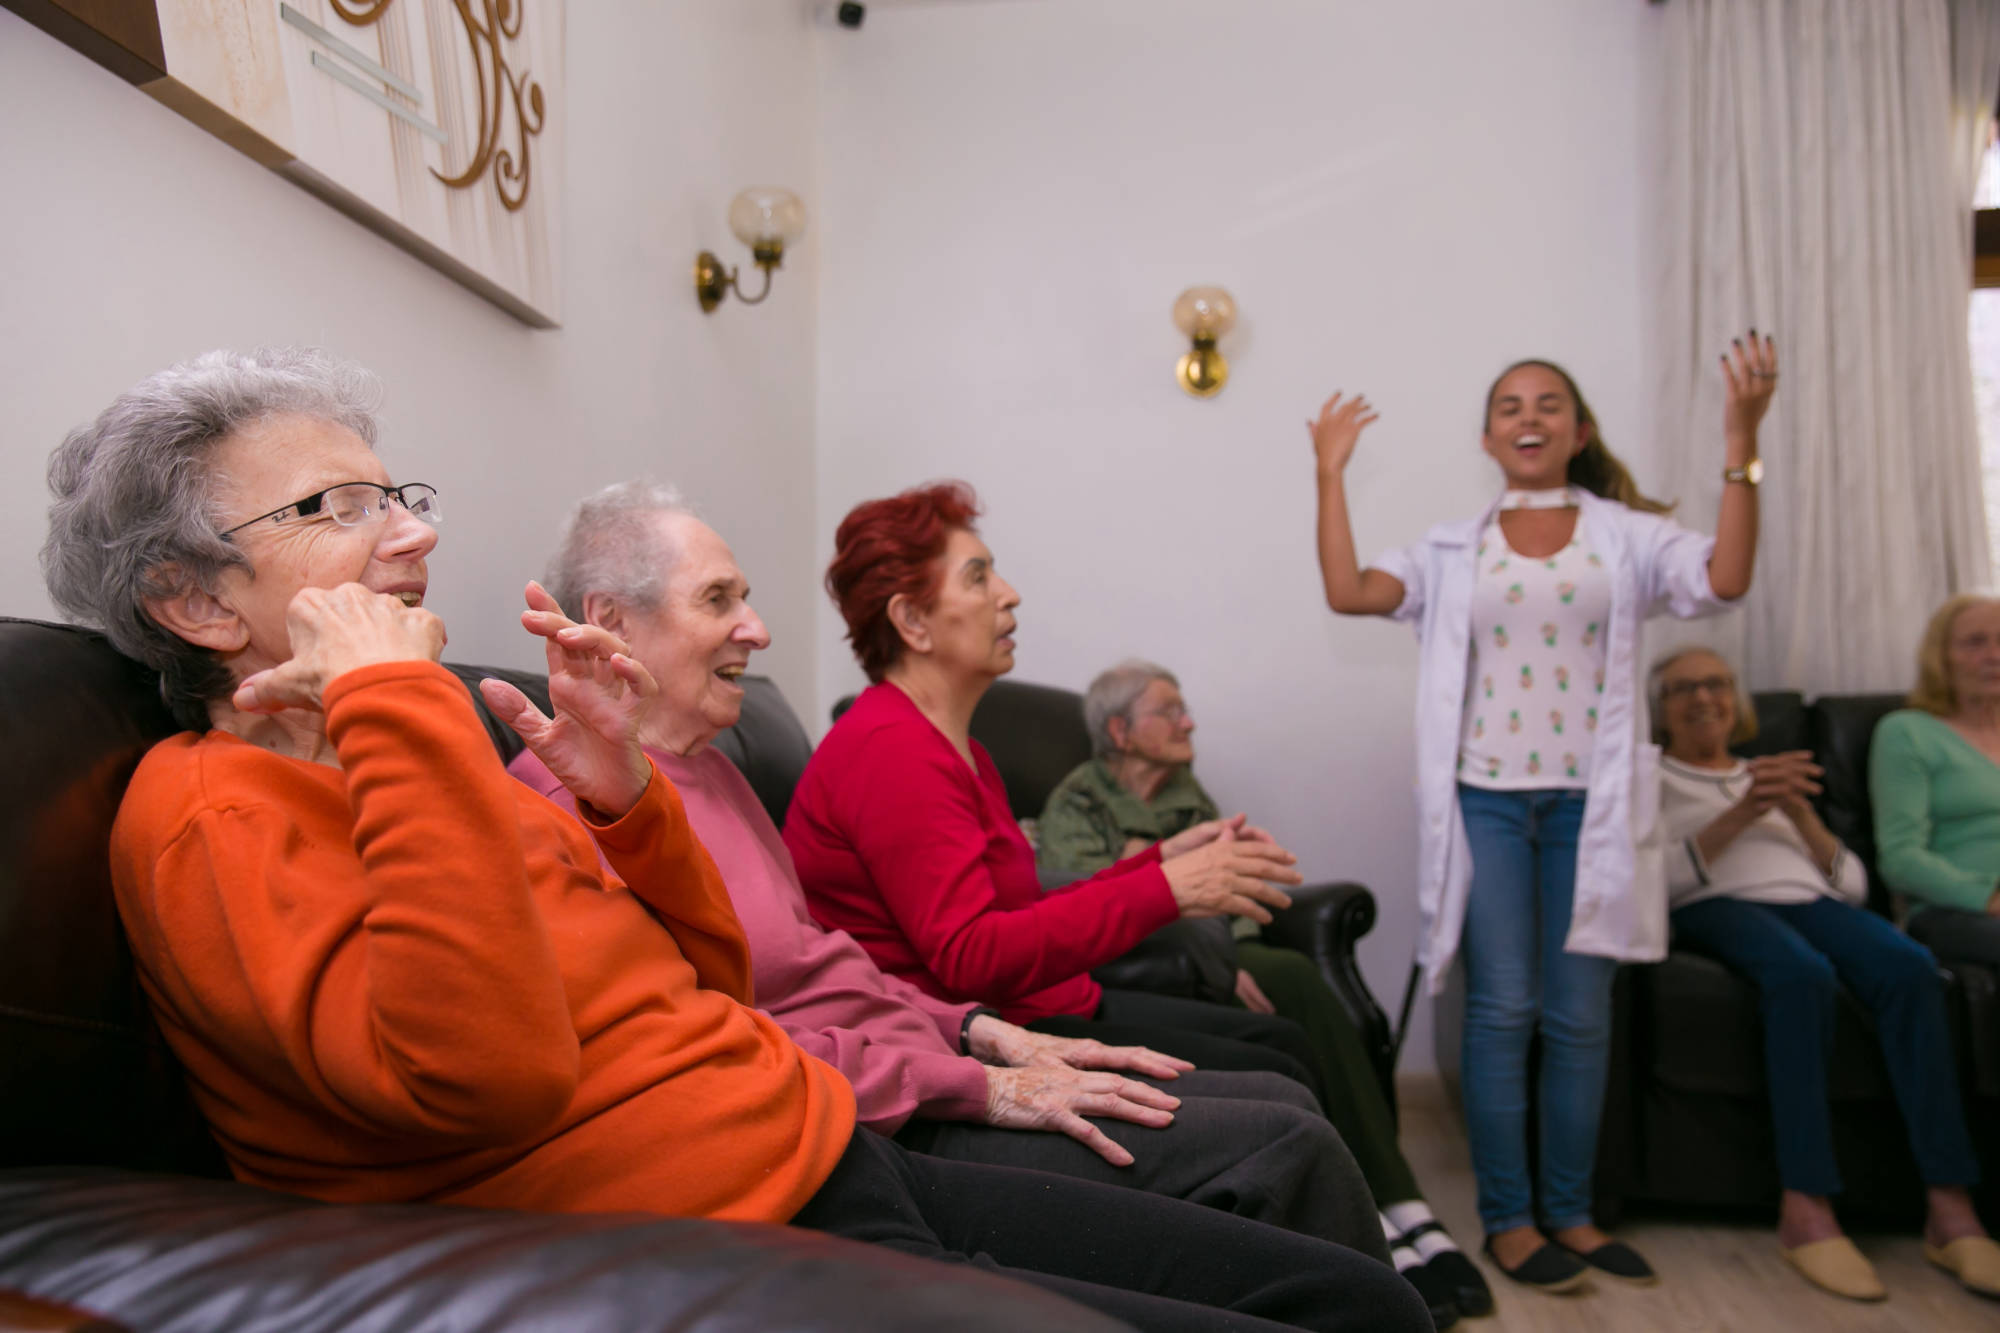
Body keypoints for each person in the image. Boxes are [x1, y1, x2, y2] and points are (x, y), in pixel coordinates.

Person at [43, 348, 1432, 1333]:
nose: (407, 536)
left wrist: (627, 812)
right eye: (336, 510)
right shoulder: (213, 809)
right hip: (733, 1219)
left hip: (812, 1137)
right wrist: (402, 703)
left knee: (1343, 1293)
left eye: (400, 494)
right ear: (197, 605)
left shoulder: (432, 751)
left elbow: (701, 983)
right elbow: (488, 1079)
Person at [505, 481, 1399, 1282]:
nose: (758, 628)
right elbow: (751, 1034)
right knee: (1287, 1137)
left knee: (1281, 1099)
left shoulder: (719, 772)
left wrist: (981, 1031)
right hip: (877, 1113)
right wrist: (983, 1069)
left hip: (928, 1056)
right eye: (719, 598)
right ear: (611, 622)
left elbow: (832, 962)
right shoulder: (576, 806)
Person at [1309, 332, 1776, 1292]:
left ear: (1580, 430)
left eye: (1548, 403)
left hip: (1591, 808)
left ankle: (1571, 1211)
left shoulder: (1629, 537)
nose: (1530, 417)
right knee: (1503, 1005)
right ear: (1488, 436)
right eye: (1511, 406)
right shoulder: (1451, 548)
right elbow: (1350, 590)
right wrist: (1329, 475)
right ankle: (1510, 1219)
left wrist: (1742, 439)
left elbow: (1725, 579)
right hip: (1487, 801)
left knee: (1579, 1015)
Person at [783, 483, 1333, 1104]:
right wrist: (1168, 889)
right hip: (970, 1044)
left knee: (1283, 1048)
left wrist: (1161, 863)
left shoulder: (953, 745)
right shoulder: (891, 750)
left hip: (1028, 1010)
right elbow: (970, 956)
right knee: (1280, 1082)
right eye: (978, 577)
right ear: (912, 621)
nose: (1009, 593)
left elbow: (1016, 908)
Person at [1039, 659, 1491, 1321]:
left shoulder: (1190, 796)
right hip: (1139, 965)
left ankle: (1399, 1207)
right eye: (1170, 709)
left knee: (1296, 985)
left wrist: (1237, 951)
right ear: (1121, 730)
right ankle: (1386, 1215)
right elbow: (1085, 899)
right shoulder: (1078, 798)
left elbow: (1237, 884)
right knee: (1295, 988)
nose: (1188, 720)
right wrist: (1207, 943)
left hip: (1214, 952)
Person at [1652, 646, 1995, 1301]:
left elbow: (1855, 887)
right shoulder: (1652, 777)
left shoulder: (1773, 773)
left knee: (1911, 967)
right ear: (1660, 712)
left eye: (1718, 683)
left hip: (1811, 898)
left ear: (1737, 700)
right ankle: (1806, 1206)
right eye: (1683, 688)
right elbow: (1653, 885)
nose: (1703, 697)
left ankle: (1951, 1207)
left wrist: (1802, 815)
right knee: (1800, 976)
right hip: (1714, 905)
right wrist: (1742, 813)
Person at [1873, 593, 2000, 971]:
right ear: (1940, 658)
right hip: (1954, 910)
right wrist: (1988, 899)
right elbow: (1900, 858)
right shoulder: (1906, 733)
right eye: (1975, 643)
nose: (1994, 655)